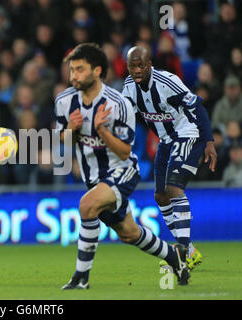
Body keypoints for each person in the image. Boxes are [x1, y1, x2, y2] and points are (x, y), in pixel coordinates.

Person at [55, 43, 189, 290]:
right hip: (94, 178)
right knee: (128, 233)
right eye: (71, 70)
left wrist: (101, 130)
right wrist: (70, 131)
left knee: (86, 206)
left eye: (79, 69)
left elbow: (125, 150)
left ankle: (81, 278)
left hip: (122, 170)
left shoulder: (118, 103)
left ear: (97, 71)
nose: (73, 75)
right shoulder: (64, 102)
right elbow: (62, 140)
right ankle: (175, 257)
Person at [122, 46, 217, 271]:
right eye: (132, 66)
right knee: (161, 196)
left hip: (188, 133)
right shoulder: (128, 87)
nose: (136, 70)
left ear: (149, 65)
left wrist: (209, 141)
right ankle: (191, 251)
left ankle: (182, 251)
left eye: (140, 65)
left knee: (174, 189)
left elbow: (197, 106)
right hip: (166, 141)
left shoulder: (168, 82)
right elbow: (125, 116)